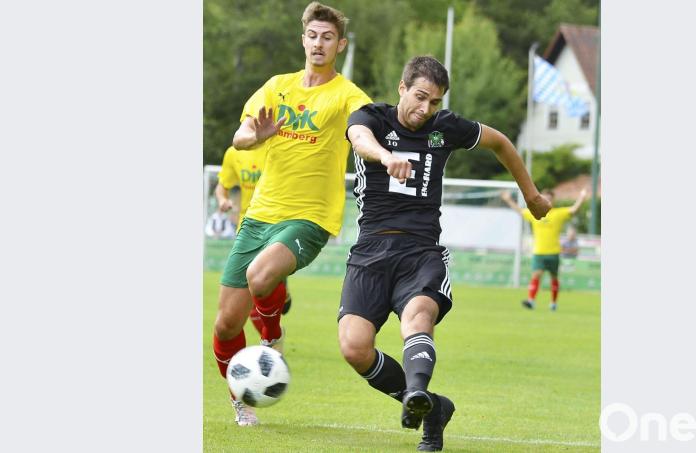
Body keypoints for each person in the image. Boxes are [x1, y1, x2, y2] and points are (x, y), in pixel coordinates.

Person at [337, 56, 552, 452]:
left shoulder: (444, 128)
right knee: (354, 346)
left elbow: (501, 143)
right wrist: (386, 156)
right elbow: (359, 140)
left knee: (418, 317)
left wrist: (531, 194)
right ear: (402, 88)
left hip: (421, 252)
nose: (425, 109)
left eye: (434, 102)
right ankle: (432, 409)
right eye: (420, 97)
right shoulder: (372, 118)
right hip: (370, 250)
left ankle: (416, 392)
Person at [211, 1, 372, 427]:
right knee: (226, 324)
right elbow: (241, 133)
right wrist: (253, 137)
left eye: (328, 37)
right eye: (313, 35)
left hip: (310, 217)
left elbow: (364, 127)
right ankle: (241, 401)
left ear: (340, 44)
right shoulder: (276, 86)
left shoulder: (347, 95)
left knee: (261, 276)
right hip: (259, 215)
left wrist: (374, 146)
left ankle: (272, 335)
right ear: (303, 39)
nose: (319, 43)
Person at [215, 144, 293, 336]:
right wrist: (222, 200)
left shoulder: (280, 145)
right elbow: (221, 186)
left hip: (278, 226)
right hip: (247, 229)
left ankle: (281, 293)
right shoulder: (234, 152)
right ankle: (271, 342)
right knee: (251, 293)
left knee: (262, 287)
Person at [501, 188, 586, 311]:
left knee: (554, 277)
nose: (547, 200)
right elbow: (520, 211)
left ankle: (553, 303)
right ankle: (531, 300)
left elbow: (573, 209)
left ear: (552, 201)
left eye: (549, 198)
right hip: (539, 252)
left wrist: (582, 198)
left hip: (554, 252)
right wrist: (508, 200)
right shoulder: (535, 214)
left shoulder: (558, 213)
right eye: (545, 198)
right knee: (536, 275)